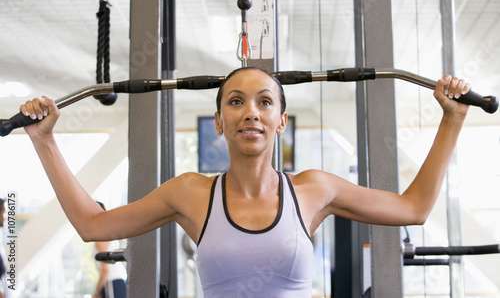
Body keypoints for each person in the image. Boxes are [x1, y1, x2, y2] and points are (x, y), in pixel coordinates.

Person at [20, 67, 470, 297]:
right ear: (219, 121)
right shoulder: (190, 193)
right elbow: (93, 226)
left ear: (280, 121)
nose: (250, 111)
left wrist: (452, 120)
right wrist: (45, 142)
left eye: (264, 101)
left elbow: (414, 208)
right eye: (236, 102)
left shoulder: (314, 190)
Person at [92, 201, 127, 298]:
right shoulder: (106, 234)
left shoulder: (101, 238)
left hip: (112, 282)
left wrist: (96, 292)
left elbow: (105, 269)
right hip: (117, 281)